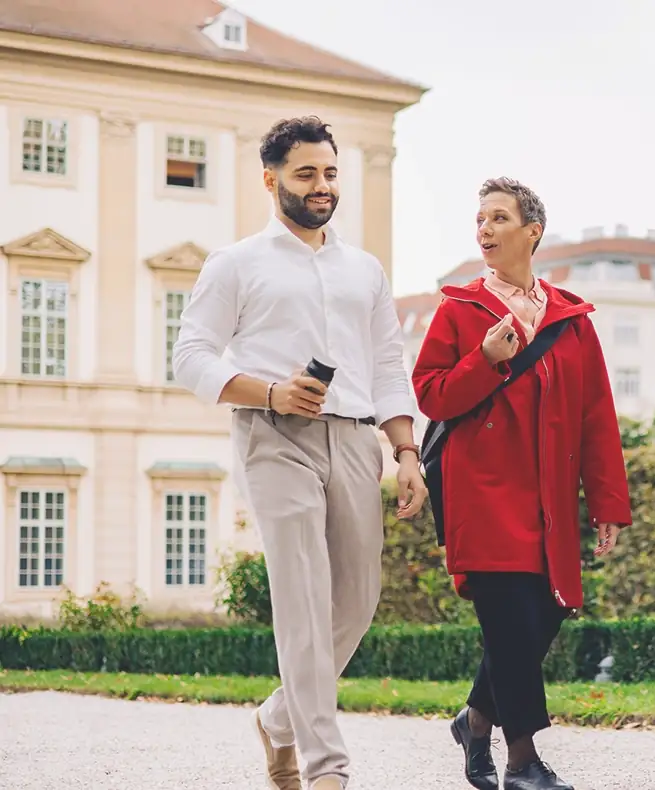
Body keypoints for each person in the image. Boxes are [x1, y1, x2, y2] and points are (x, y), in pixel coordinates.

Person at [172, 116, 427, 790]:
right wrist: (272, 391)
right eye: (306, 173)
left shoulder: (363, 270)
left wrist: (405, 450)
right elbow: (190, 354)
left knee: (358, 600)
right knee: (303, 597)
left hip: (353, 439)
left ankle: (278, 719)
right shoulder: (236, 263)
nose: (322, 186)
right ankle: (327, 769)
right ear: (271, 179)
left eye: (330, 173)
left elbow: (386, 362)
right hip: (272, 436)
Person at [412, 177, 632, 790]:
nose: (484, 229)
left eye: (498, 218)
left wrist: (607, 503)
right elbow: (430, 392)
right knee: (508, 621)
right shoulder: (459, 310)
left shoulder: (571, 319)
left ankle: (475, 719)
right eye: (479, 219)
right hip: (481, 493)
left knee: (547, 612)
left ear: (532, 232)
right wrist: (483, 359)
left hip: (551, 503)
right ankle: (522, 760)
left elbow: (596, 415)